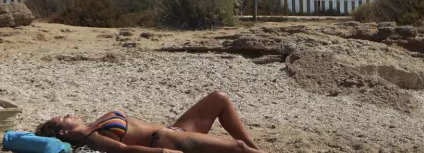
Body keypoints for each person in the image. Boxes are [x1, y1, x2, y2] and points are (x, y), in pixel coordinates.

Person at [34, 91, 266, 153]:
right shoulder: (91, 137)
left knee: (219, 98)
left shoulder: (95, 124)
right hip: (167, 140)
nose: (70, 114)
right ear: (63, 133)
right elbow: (124, 151)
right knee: (237, 149)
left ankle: (259, 150)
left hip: (176, 129)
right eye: (64, 118)